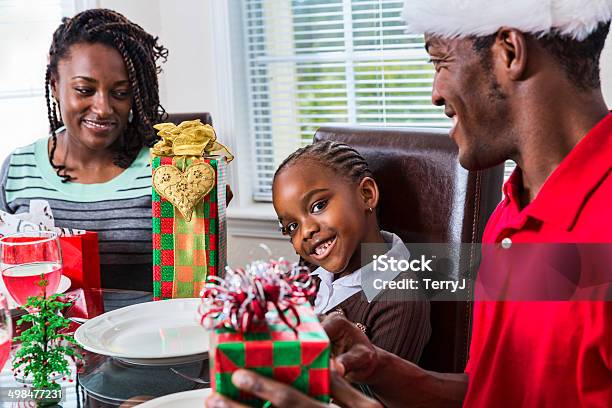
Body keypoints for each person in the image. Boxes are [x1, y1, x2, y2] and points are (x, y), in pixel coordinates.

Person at [205, 0, 612, 406]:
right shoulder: (512, 212)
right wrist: (382, 368)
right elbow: (498, 393)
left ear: (509, 51)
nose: (435, 93)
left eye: (440, 62)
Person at [0, 9, 167, 290]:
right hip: (49, 334)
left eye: (120, 93)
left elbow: (195, 281)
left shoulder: (168, 170)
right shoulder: (19, 168)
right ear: (55, 85)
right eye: (84, 90)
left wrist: (206, 217)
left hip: (148, 332)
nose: (102, 108)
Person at [272, 140, 431, 363]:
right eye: (292, 227)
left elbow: (374, 395)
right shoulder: (310, 269)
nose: (306, 231)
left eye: (318, 206)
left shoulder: (399, 300)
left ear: (366, 194)